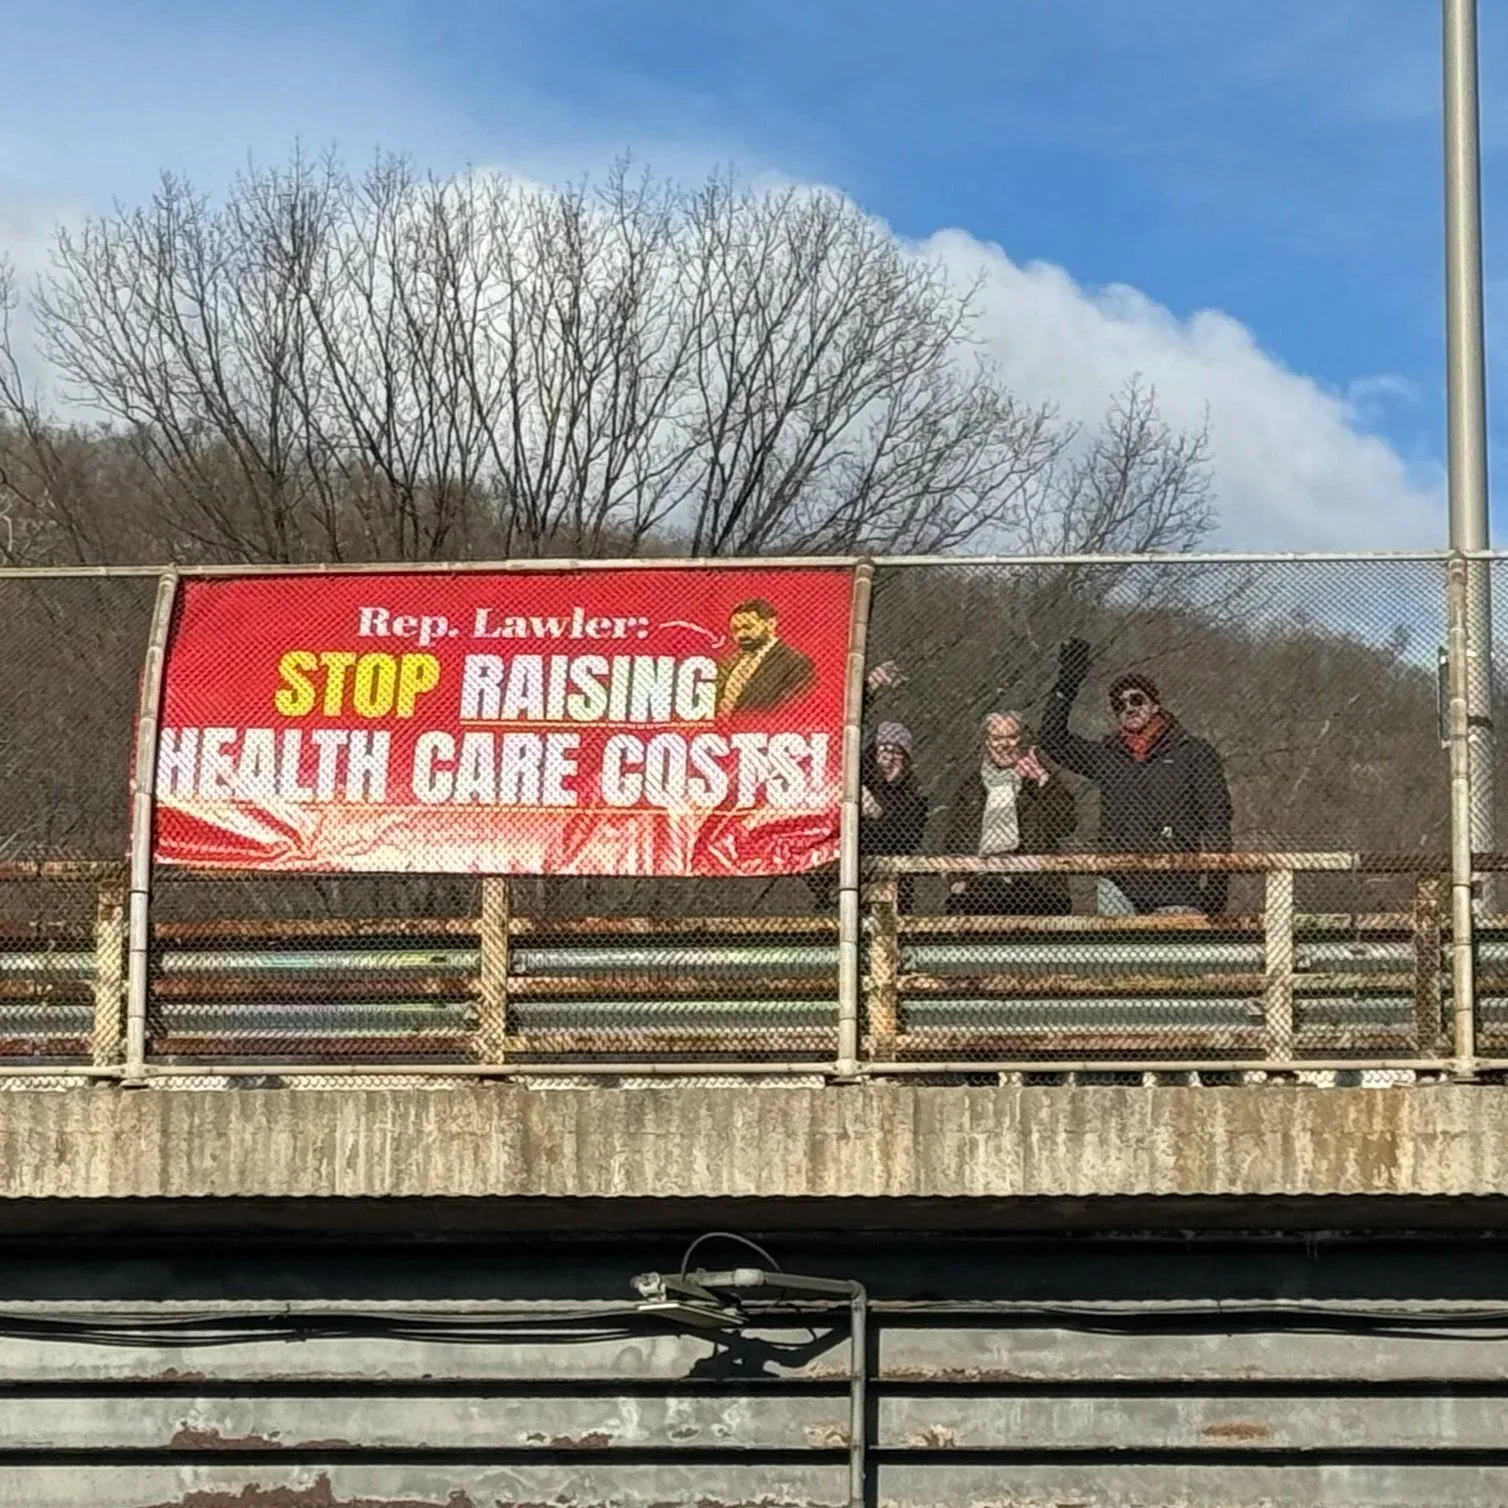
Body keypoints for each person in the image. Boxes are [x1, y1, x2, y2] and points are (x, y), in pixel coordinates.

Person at [1041, 638, 1232, 916]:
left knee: (1177, 956)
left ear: (1155, 705)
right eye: (1119, 705)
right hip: (1117, 881)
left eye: (1137, 699)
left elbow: (1217, 819)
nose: (1128, 708)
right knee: (1119, 957)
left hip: (1176, 880)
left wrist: (1216, 885)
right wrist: (1066, 686)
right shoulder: (1108, 756)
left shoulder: (1193, 753)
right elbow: (1052, 739)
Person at [943, 712, 1076, 915]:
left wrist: (1041, 778)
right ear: (987, 743)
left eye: (1011, 737)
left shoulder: (1038, 781)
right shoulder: (970, 789)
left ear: (1022, 739)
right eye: (997, 738)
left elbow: (1065, 824)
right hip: (981, 889)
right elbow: (954, 841)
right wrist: (956, 880)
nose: (1004, 745)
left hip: (1035, 888)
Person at [808, 721, 928, 912]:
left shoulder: (913, 793)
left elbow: (909, 837)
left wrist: (878, 815)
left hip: (892, 874)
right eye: (885, 751)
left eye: (897, 753)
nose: (889, 759)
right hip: (850, 869)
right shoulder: (857, 782)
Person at [716, 599, 815, 715]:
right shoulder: (728, 663)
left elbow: (788, 710)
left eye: (748, 627)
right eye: (735, 630)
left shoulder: (796, 664)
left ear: (771, 624)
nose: (741, 635)